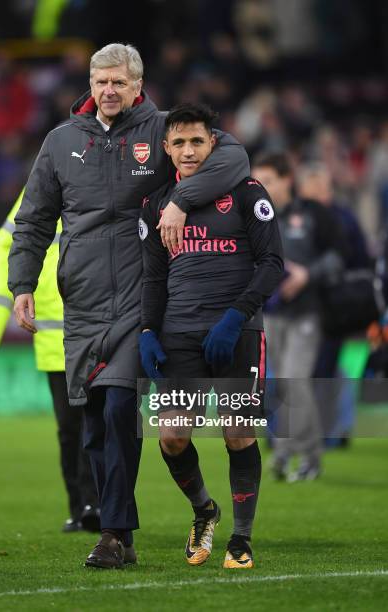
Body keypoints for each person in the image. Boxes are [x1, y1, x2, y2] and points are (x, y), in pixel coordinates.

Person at [8, 43, 250, 569]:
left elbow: (233, 156)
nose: (109, 91)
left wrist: (183, 200)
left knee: (120, 404)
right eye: (101, 82)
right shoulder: (61, 141)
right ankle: (139, 524)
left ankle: (115, 534)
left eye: (119, 82)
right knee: (94, 421)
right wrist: (21, 282)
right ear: (90, 85)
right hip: (85, 301)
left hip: (144, 300)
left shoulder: (163, 131)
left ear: (138, 86)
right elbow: (32, 220)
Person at [139, 103, 283, 569]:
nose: (187, 150)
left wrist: (235, 317)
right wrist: (147, 330)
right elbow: (153, 278)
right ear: (166, 148)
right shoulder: (157, 203)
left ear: (213, 143)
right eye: (178, 142)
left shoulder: (247, 193)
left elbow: (272, 264)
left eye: (197, 141)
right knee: (172, 436)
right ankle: (205, 511)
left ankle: (241, 539)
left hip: (235, 334)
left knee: (238, 433)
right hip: (178, 334)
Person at [0, 190, 100, 534]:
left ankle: (95, 504)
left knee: (97, 422)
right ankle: (80, 507)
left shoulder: (103, 178)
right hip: (55, 336)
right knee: (71, 429)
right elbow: (4, 246)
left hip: (101, 330)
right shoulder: (40, 190)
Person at [252, 152, 346, 482]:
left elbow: (339, 256)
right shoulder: (255, 216)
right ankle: (289, 454)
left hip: (307, 313)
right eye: (257, 181)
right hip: (272, 313)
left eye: (268, 181)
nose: (260, 187)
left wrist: (306, 274)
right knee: (286, 385)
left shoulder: (312, 213)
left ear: (287, 180)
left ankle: (304, 456)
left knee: (295, 380)